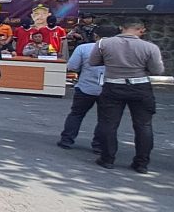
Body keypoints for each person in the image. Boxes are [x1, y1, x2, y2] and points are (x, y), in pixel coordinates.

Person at [89, 18, 164, 172]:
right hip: (140, 86)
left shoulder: (104, 43)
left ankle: (107, 159)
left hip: (113, 85)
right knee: (144, 125)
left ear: (121, 28)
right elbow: (157, 70)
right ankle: (141, 163)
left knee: (108, 123)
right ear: (141, 30)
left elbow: (93, 62)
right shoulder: (150, 47)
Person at [58, 23, 120, 152]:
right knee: (105, 118)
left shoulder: (84, 48)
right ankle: (98, 145)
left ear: (96, 35)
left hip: (86, 86)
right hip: (110, 88)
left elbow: (73, 67)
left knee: (76, 114)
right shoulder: (122, 50)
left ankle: (67, 140)